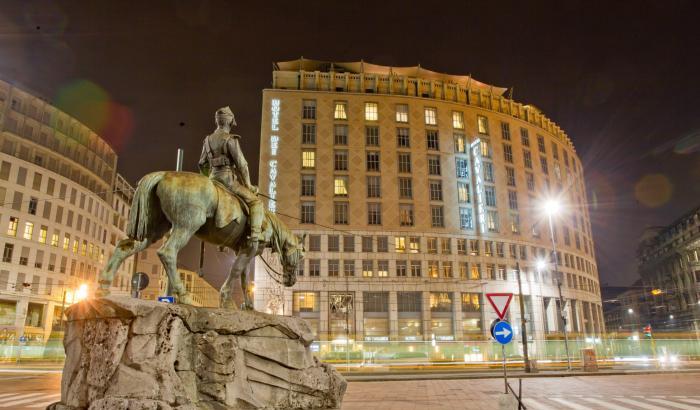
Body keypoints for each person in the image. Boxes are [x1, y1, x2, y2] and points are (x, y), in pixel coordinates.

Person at [198, 107, 263, 248]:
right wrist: (249, 186)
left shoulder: (207, 140)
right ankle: (255, 236)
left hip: (212, 180)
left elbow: (202, 163)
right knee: (256, 203)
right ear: (229, 122)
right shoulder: (230, 139)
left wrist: (206, 181)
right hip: (228, 181)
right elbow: (242, 164)